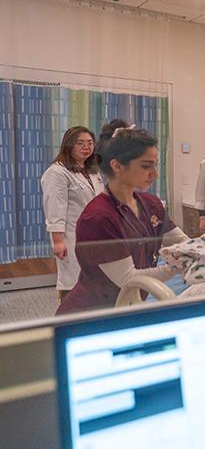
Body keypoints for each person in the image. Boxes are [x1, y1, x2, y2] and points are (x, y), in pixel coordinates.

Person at [57, 128, 189, 314]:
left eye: (155, 165)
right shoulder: (99, 218)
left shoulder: (151, 204)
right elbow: (129, 279)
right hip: (91, 315)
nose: (154, 173)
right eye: (145, 166)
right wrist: (179, 265)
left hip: (129, 307)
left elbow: (183, 242)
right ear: (117, 166)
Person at [40, 126, 104, 300]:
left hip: (96, 235)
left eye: (90, 143)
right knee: (74, 283)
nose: (86, 147)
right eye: (80, 143)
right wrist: (58, 241)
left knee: (95, 282)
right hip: (72, 236)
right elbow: (54, 208)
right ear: (69, 145)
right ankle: (70, 318)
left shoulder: (92, 171)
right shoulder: (57, 172)